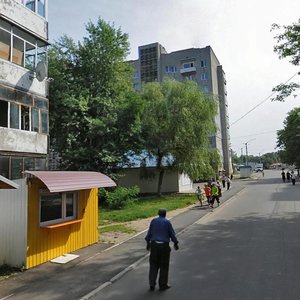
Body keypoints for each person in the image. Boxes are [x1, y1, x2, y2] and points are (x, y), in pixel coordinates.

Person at [145, 208, 179, 291]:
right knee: (164, 265)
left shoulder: (153, 221)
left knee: (153, 264)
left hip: (154, 245)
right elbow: (171, 233)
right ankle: (163, 285)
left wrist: (148, 243)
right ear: (165, 214)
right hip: (164, 246)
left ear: (158, 213)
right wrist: (175, 243)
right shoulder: (167, 222)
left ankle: (152, 284)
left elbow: (149, 232)